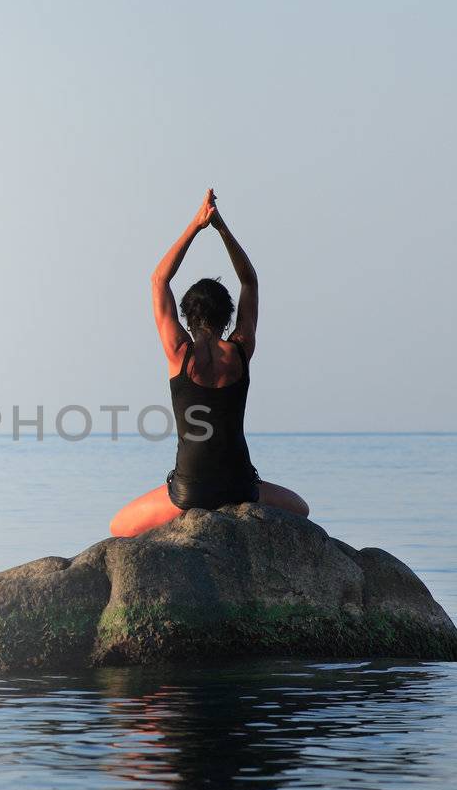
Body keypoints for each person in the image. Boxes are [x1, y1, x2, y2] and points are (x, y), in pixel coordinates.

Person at [109, 190, 309, 538]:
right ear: (228, 316)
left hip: (190, 492)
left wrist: (196, 224)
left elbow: (159, 280)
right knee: (301, 508)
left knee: (118, 526)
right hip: (242, 487)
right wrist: (221, 229)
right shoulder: (241, 350)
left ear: (187, 316)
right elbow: (250, 281)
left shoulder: (178, 353)